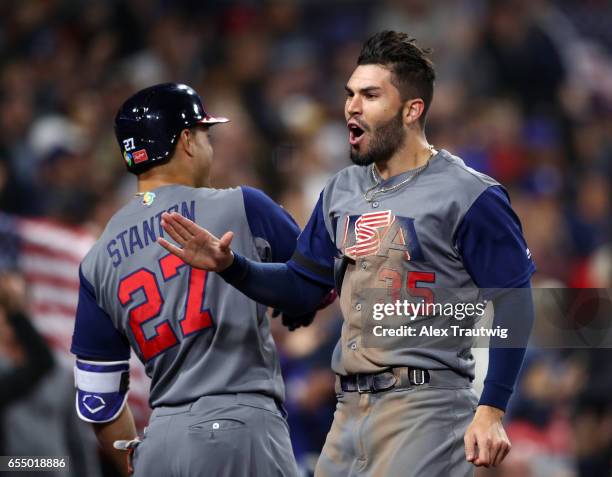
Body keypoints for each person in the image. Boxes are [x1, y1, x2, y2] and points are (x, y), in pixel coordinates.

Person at [158, 31, 536, 477]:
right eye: (350, 94)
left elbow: (514, 299)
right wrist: (231, 267)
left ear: (412, 110)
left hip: (426, 409)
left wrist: (492, 407)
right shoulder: (341, 190)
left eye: (370, 95)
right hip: (347, 412)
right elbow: (301, 287)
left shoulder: (469, 194)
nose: (352, 107)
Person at [70, 83, 305, 477]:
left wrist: (137, 462)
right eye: (204, 134)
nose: (208, 145)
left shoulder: (96, 258)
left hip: (161, 443)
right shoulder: (240, 205)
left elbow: (98, 398)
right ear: (186, 141)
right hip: (241, 428)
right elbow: (317, 284)